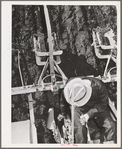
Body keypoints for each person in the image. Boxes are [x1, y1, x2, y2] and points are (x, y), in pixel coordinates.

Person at [58, 77, 116, 144]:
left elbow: (103, 104)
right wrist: (64, 114)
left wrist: (89, 114)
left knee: (110, 126)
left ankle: (109, 144)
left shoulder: (98, 85)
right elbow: (63, 103)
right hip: (78, 108)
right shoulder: (68, 90)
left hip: (96, 106)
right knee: (79, 131)